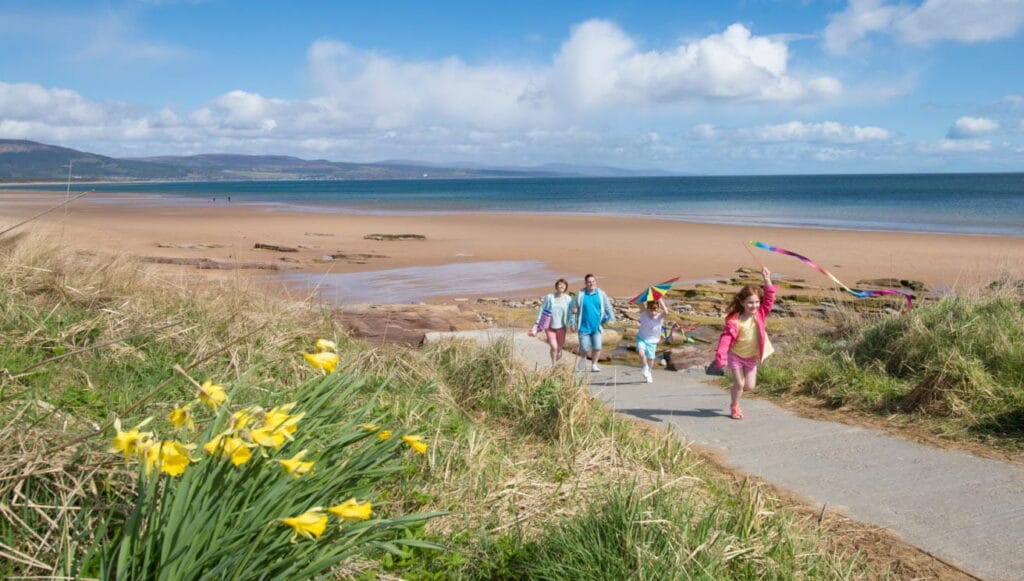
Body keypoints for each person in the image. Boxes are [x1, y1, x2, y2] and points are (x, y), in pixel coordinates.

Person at [714, 267, 776, 420]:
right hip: (735, 355)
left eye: (756, 302)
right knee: (740, 384)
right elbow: (725, 340)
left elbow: (769, 300)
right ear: (742, 302)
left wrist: (767, 280)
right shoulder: (734, 321)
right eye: (750, 303)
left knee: (750, 386)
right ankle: (734, 405)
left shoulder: (760, 314)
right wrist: (721, 356)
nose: (754, 306)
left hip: (751, 357)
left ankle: (737, 391)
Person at [570, 273, 615, 372]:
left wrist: (612, 318)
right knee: (584, 348)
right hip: (583, 326)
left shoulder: (601, 293)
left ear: (596, 282)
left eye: (593, 281)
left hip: (596, 327)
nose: (591, 283)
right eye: (589, 282)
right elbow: (573, 308)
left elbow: (607, 306)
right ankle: (583, 358)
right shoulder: (581, 294)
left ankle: (594, 365)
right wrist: (573, 323)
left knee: (597, 347)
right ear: (585, 283)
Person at [533, 278, 573, 366]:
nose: (561, 286)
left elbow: (572, 311)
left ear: (566, 287)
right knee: (554, 347)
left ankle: (558, 355)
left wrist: (573, 320)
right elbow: (542, 309)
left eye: (563, 285)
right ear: (556, 286)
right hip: (549, 326)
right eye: (560, 284)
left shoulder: (568, 299)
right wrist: (537, 322)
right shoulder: (549, 297)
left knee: (559, 347)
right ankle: (554, 365)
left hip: (562, 327)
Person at [636, 298, 667, 383]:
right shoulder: (644, 313)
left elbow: (666, 312)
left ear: (658, 309)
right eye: (650, 311)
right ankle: (645, 367)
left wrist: (660, 299)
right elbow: (639, 302)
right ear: (647, 309)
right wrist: (644, 295)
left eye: (655, 311)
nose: (653, 313)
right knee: (641, 353)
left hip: (652, 341)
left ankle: (649, 372)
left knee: (651, 358)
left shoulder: (659, 317)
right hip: (642, 338)